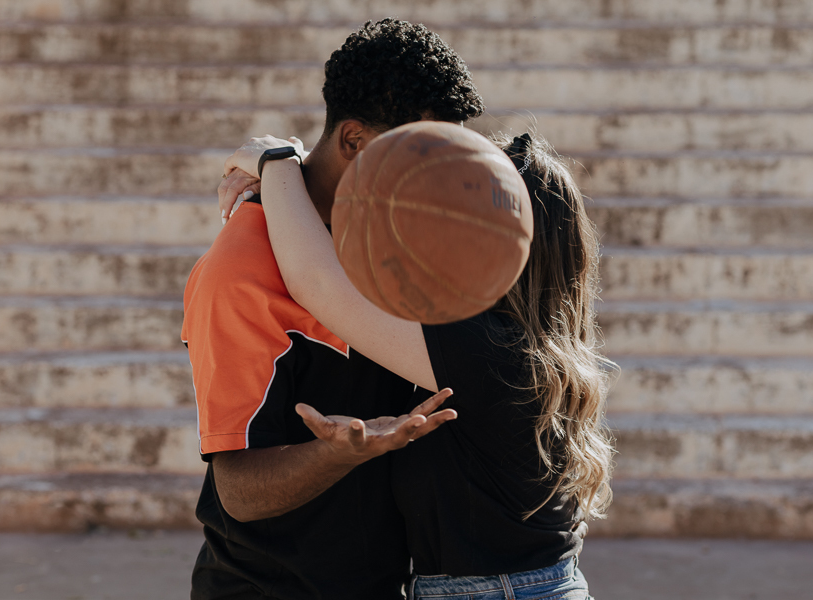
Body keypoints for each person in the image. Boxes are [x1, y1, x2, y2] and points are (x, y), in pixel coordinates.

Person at [221, 131, 614, 599]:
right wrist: (309, 171)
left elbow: (317, 281)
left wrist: (279, 164)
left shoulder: (489, 348)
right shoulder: (532, 345)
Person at [182, 19, 484, 600]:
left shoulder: (395, 233)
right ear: (355, 141)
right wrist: (338, 454)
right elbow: (238, 492)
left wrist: (276, 161)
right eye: (423, 157)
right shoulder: (239, 270)